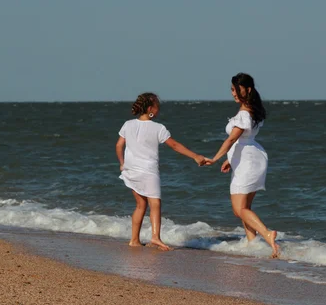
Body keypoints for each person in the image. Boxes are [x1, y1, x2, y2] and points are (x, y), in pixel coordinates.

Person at [116, 92, 206, 251]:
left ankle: (134, 240)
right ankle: (156, 238)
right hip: (148, 170)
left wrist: (122, 163)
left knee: (140, 205)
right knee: (155, 203)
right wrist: (195, 156)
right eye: (157, 107)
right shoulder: (158, 128)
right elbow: (175, 146)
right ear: (150, 108)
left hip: (131, 170)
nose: (158, 110)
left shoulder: (128, 124)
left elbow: (118, 145)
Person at [205, 73, 280, 258]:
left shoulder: (244, 114)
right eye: (232, 89)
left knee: (240, 210)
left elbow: (232, 139)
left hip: (247, 161)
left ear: (247, 90)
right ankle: (253, 245)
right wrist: (230, 159)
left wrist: (214, 158)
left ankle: (267, 235)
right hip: (250, 158)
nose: (233, 93)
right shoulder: (252, 111)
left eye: (237, 89)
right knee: (245, 208)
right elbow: (244, 140)